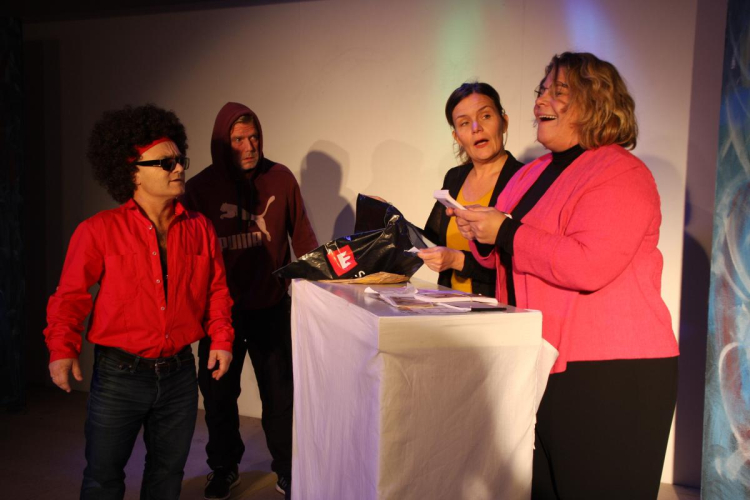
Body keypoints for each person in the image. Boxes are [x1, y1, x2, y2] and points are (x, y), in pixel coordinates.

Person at [453, 52, 680, 499]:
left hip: (611, 375)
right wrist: (481, 233)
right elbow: (515, 259)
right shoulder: (533, 173)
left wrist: (505, 231)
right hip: (545, 363)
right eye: (541, 90)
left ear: (596, 102)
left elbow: (588, 264)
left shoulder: (621, 171)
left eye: (558, 92)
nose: (540, 101)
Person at [43, 103, 234, 500]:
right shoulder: (98, 231)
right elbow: (71, 296)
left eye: (179, 160)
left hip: (180, 373)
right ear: (132, 172)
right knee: (103, 478)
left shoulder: (200, 228)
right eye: (165, 163)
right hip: (120, 375)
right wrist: (62, 349)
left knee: (167, 475)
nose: (178, 169)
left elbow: (216, 290)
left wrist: (221, 338)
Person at [182, 102, 318, 500]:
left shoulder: (280, 178)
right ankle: (224, 467)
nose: (250, 146)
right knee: (218, 396)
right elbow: (188, 252)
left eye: (254, 136)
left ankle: (287, 469)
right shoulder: (200, 189)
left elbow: (304, 238)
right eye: (239, 139)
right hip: (219, 314)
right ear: (223, 143)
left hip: (270, 307)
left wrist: (321, 288)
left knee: (280, 396)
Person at [420, 82, 523, 296]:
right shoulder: (455, 177)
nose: (476, 128)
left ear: (504, 122)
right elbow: (431, 241)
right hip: (449, 306)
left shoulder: (524, 178)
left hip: (499, 309)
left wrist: (458, 261)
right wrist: (391, 217)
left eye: (485, 116)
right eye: (465, 123)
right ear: (457, 137)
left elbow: (522, 265)